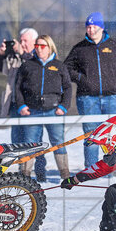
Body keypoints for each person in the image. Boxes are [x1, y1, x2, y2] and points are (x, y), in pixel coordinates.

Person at [65, 12, 116, 168]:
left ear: (101, 28)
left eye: (94, 26)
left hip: (113, 97)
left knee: (114, 134)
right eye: (88, 27)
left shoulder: (114, 46)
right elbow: (67, 68)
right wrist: (82, 79)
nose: (91, 29)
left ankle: (115, 167)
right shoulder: (79, 48)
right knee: (91, 135)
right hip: (87, 98)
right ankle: (92, 168)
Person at [13, 34, 73, 180]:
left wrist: (64, 107)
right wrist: (21, 105)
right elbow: (18, 87)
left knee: (58, 143)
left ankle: (65, 176)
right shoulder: (27, 65)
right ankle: (24, 176)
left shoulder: (59, 66)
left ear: (49, 47)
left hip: (54, 111)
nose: (39, 49)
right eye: (37, 46)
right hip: (32, 112)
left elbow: (68, 88)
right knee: (30, 145)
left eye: (42, 46)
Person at [0, 27, 45, 180]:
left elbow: (34, 62)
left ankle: (41, 171)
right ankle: (22, 173)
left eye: (25, 41)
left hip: (32, 106)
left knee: (34, 142)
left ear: (34, 42)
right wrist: (2, 54)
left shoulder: (39, 55)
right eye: (21, 40)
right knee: (16, 141)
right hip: (15, 104)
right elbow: (1, 68)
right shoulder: (14, 57)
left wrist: (21, 52)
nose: (22, 43)